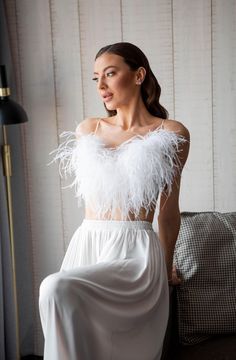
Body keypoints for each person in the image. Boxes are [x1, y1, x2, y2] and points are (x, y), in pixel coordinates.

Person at [39, 42, 190, 360]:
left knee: (55, 287)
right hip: (87, 245)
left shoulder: (170, 132)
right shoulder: (89, 129)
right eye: (96, 78)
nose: (102, 86)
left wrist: (163, 269)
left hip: (135, 253)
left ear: (138, 75)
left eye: (110, 73)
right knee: (69, 315)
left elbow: (167, 211)